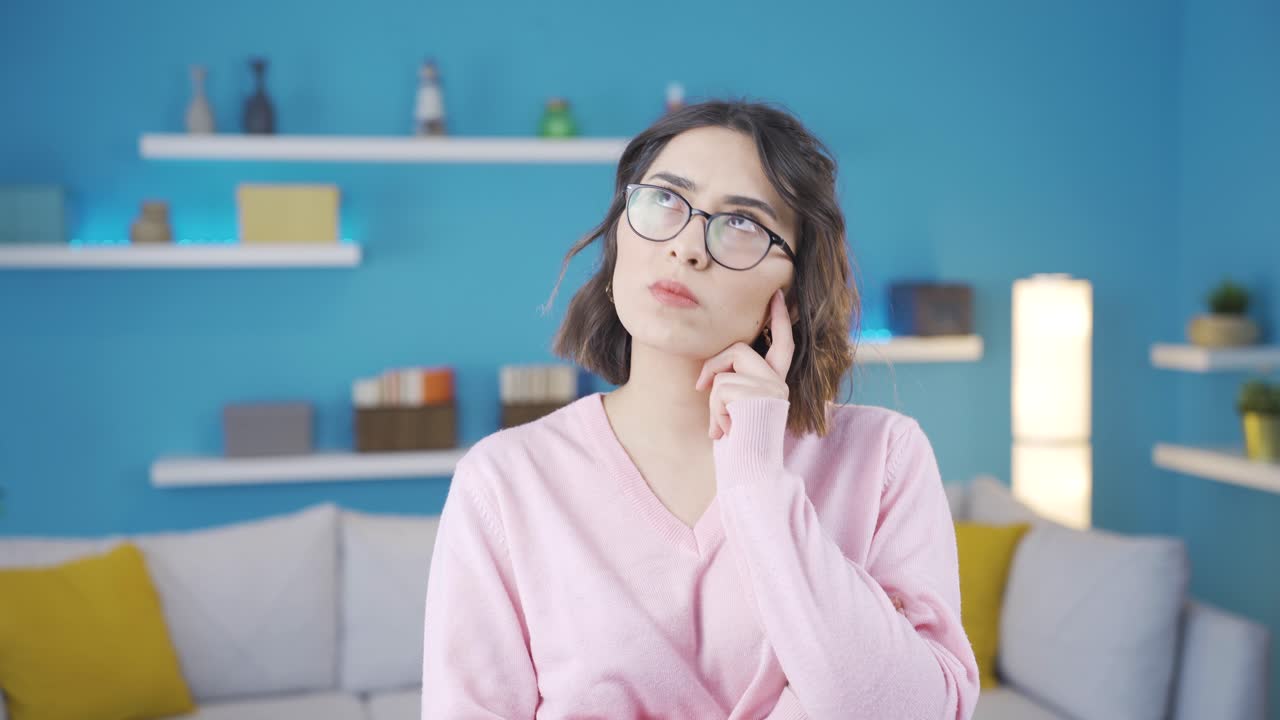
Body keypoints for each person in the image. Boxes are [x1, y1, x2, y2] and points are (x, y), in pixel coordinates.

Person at [421, 100, 979, 719]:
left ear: (793, 294)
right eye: (664, 199)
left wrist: (757, 482)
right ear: (619, 237)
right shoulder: (505, 482)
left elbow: (915, 709)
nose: (688, 247)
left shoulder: (884, 459)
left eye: (741, 222)